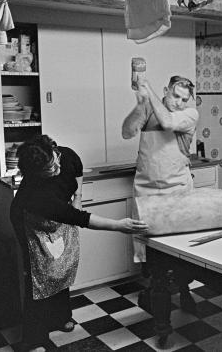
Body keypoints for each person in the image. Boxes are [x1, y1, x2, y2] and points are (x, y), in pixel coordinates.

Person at [10, 135, 148, 351]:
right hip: (31, 221)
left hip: (59, 214)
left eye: (55, 160)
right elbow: (80, 219)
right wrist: (119, 225)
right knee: (40, 273)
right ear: (36, 174)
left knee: (62, 263)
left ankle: (60, 317)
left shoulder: (65, 154)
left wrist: (78, 197)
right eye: (49, 169)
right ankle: (34, 338)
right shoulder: (38, 195)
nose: (56, 167)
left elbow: (77, 169)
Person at [122, 75, 198, 312]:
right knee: (152, 256)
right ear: (166, 91)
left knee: (182, 252)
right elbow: (126, 131)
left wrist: (149, 90)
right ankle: (158, 300)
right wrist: (140, 104)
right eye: (175, 96)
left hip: (177, 192)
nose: (178, 102)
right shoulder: (149, 108)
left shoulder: (190, 115)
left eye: (184, 99)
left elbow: (167, 122)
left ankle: (185, 292)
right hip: (147, 192)